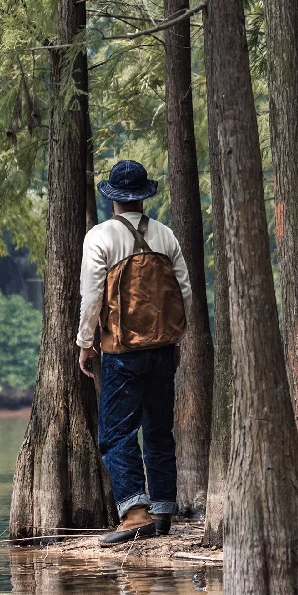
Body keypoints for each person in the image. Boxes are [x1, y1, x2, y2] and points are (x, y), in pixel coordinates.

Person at [77, 159, 192, 546]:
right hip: (163, 348)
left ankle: (135, 513)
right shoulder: (166, 235)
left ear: (113, 199)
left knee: (115, 433)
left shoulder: (100, 237)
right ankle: (162, 511)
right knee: (159, 430)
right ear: (144, 196)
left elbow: (92, 297)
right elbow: (185, 293)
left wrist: (85, 343)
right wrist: (176, 337)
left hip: (123, 350)